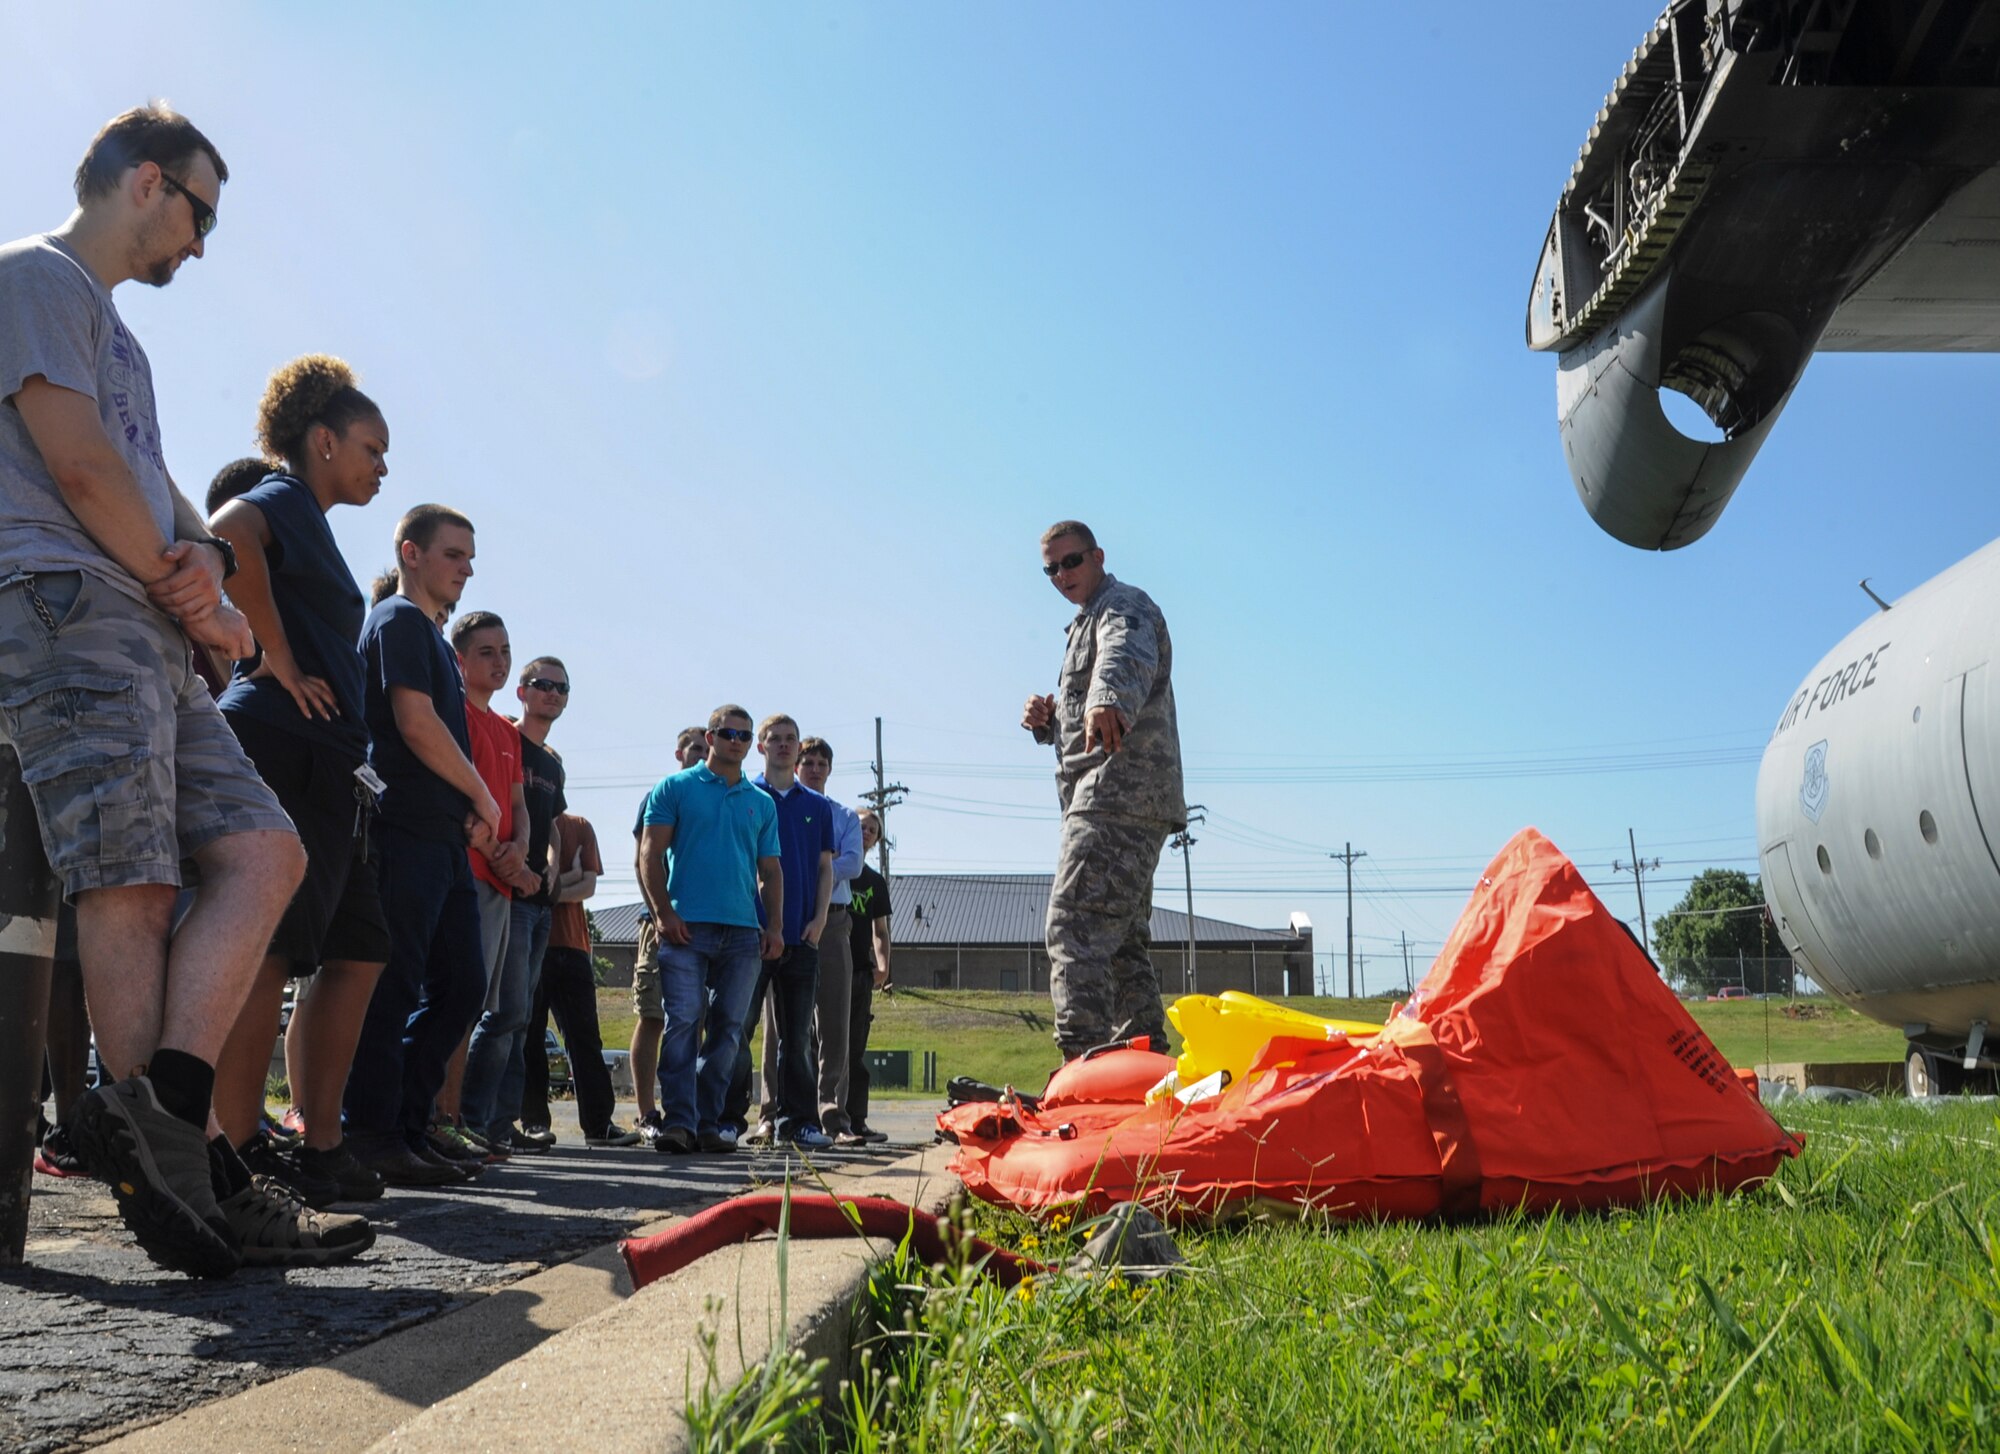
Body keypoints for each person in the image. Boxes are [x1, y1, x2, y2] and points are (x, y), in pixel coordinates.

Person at [0, 105, 321, 1278]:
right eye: (201, 213)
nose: (201, 244)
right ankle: (189, 1180)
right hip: (66, 603)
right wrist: (204, 602)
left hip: (142, 619)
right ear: (147, 181)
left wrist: (210, 566)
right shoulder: (32, 276)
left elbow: (160, 491)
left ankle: (163, 1115)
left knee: (263, 851)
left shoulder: (118, 337)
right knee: (127, 876)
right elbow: (78, 464)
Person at [206, 355, 397, 1228]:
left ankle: (315, 1143)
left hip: (329, 768)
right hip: (282, 745)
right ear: (322, 442)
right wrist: (270, 657)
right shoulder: (281, 496)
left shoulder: (315, 521)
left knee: (356, 947)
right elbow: (227, 534)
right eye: (370, 448)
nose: (381, 466)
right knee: (268, 954)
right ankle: (238, 1152)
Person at [344, 504, 499, 1186]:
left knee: (463, 984)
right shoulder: (398, 620)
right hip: (402, 830)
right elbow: (413, 722)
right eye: (454, 554)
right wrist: (485, 795)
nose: (466, 567)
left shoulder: (435, 640)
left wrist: (465, 805)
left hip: (442, 837)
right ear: (411, 553)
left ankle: (409, 1126)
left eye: (470, 556)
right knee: (395, 983)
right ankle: (371, 1134)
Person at [1021, 520, 1184, 1060]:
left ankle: (1081, 1070)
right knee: (1119, 948)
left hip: (1118, 798)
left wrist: (1106, 696)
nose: (1061, 575)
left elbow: (1123, 656)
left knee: (1074, 929)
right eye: (1051, 568)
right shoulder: (1082, 625)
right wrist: (1050, 725)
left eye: (1071, 561)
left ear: (1097, 556)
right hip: (1118, 799)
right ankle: (1146, 1072)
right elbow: (1088, 729)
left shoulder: (1122, 606)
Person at [634, 706, 783, 1154]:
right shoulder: (675, 788)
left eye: (743, 734)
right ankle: (677, 1122)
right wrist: (663, 914)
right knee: (682, 1023)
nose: (735, 740)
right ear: (710, 736)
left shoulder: (762, 802)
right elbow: (649, 854)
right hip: (686, 928)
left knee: (729, 1030)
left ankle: (706, 1122)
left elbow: (770, 871)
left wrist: (773, 925)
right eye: (727, 733)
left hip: (742, 933)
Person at [439, 611, 535, 1167]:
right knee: (451, 1000)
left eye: (504, 651)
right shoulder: (452, 715)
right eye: (485, 652)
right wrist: (494, 850)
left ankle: (456, 1120)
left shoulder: (506, 730)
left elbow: (518, 807)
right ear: (459, 659)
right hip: (466, 875)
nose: (498, 662)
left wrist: (518, 848)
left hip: (500, 882)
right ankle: (436, 1118)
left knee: (476, 1008)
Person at [471, 655, 569, 1150]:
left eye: (561, 688)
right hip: (501, 884)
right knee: (501, 1011)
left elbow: (548, 820)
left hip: (539, 901)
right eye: (543, 684)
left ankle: (501, 1125)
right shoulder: (502, 737)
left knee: (522, 1016)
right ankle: (472, 1120)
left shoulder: (552, 761)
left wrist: (551, 863)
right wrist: (520, 868)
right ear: (522, 692)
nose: (552, 693)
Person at [735, 715, 834, 1150]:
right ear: (760, 746)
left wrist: (819, 920)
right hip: (750, 936)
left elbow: (825, 867)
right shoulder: (743, 796)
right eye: (773, 739)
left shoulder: (816, 805)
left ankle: (800, 1123)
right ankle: (727, 1119)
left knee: (797, 1038)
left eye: (790, 739)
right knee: (738, 1029)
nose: (782, 745)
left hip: (801, 937)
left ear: (798, 749)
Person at [521, 811, 636, 1145]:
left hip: (573, 947)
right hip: (533, 947)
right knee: (531, 1039)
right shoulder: (523, 822)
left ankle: (599, 1126)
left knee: (586, 1039)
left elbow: (588, 885)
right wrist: (566, 876)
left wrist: (552, 887)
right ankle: (533, 1123)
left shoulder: (581, 827)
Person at [631, 725, 709, 1143]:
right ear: (677, 753)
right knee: (652, 1016)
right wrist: (661, 916)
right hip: (660, 924)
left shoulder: (721, 796)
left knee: (692, 1021)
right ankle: (646, 1112)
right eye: (692, 747)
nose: (699, 753)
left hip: (705, 929)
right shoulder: (661, 795)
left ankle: (687, 1110)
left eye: (704, 746)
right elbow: (643, 859)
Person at [794, 737, 864, 1143]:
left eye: (822, 763)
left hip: (836, 923)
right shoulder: (783, 807)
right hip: (789, 920)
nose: (815, 768)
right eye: (809, 761)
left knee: (836, 1023)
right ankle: (775, 1112)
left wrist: (817, 866)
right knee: (785, 1024)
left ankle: (833, 1116)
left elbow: (852, 863)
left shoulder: (843, 816)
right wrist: (822, 862)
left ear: (829, 770)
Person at [842, 810, 894, 1143]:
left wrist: (883, 967)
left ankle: (856, 1120)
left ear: (876, 840)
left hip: (861, 974)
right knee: (821, 1047)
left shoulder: (874, 882)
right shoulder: (836, 871)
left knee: (855, 1049)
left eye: (872, 830)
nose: (866, 832)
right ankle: (818, 1118)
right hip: (830, 971)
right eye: (862, 826)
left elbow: (881, 931)